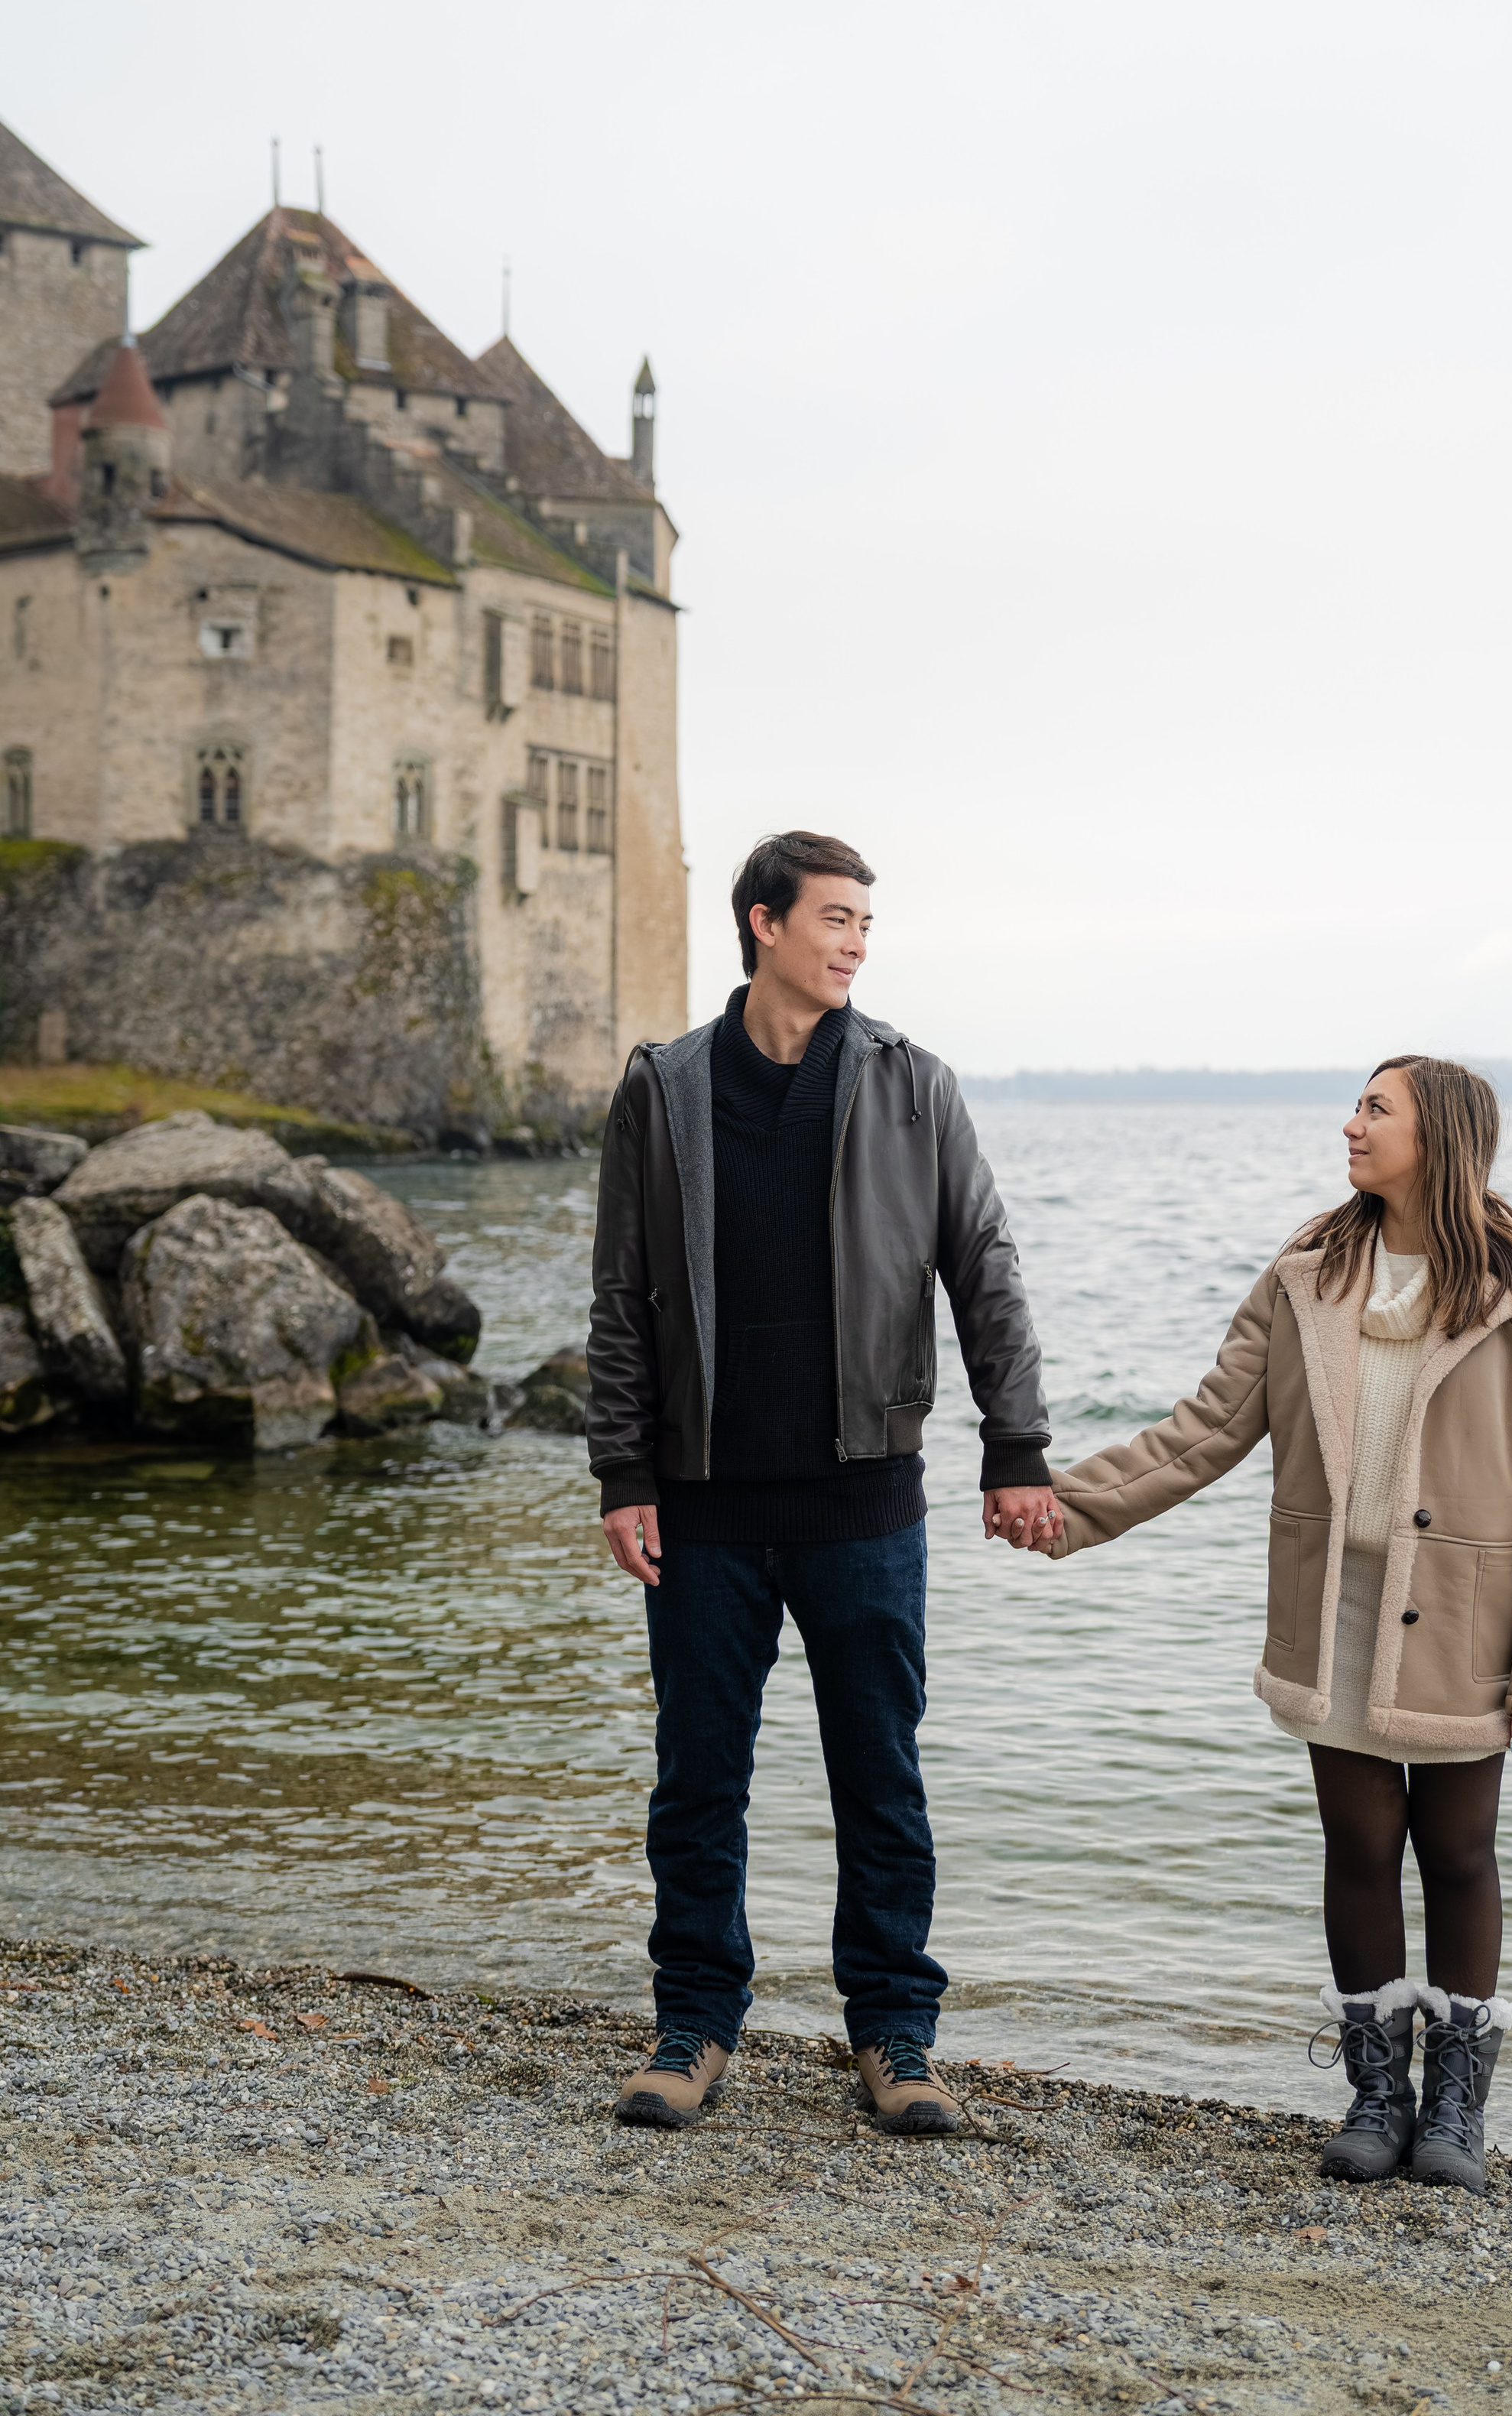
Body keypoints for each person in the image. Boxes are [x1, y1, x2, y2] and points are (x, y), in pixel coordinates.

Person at [1015, 1057, 1512, 2194]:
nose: (1351, 1125)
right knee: (1361, 1846)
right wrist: (1065, 1507)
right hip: (1335, 1600)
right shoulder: (1308, 1275)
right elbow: (1206, 1429)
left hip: (1469, 1615)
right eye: (1358, 1106)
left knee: (1462, 1850)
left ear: (1443, 1137)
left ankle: (1456, 2113)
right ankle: (1378, 2098)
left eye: (1376, 1110)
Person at [585, 829, 1066, 2136]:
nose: (857, 941)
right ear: (763, 924)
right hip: (704, 1506)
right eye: (836, 918)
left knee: (879, 1775)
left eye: (866, 921)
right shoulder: (665, 1085)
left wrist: (1011, 1446)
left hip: (865, 1504)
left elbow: (985, 1267)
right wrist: (624, 1469)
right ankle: (692, 2026)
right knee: (697, 1778)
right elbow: (622, 1294)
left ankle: (896, 2040)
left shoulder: (916, 1085)